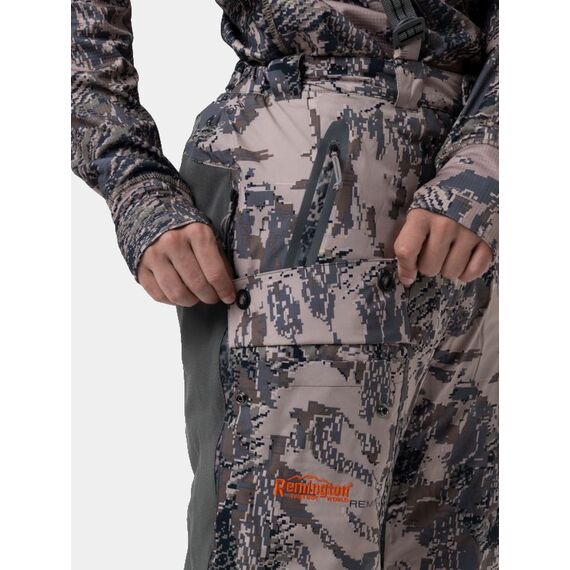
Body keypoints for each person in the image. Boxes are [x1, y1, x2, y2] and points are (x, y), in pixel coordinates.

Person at [71, 1, 498, 568]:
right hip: (303, 187)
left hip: (480, 205)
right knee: (290, 546)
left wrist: (486, 159)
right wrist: (133, 178)